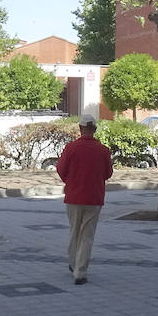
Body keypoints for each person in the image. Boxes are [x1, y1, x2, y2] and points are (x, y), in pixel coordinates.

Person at [56, 117, 114, 285]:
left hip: (74, 197)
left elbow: (61, 169)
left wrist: (72, 181)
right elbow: (108, 173)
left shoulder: (71, 148)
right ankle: (80, 272)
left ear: (80, 128)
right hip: (94, 198)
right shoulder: (103, 150)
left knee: (74, 231)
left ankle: (73, 263)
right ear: (95, 129)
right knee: (87, 235)